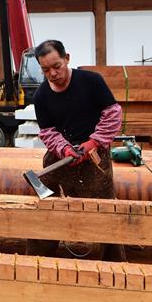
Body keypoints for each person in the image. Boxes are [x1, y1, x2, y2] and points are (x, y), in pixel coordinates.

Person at [30, 40, 126, 262]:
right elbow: (48, 132)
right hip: (60, 156)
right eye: (46, 70)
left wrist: (93, 142)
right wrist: (63, 148)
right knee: (47, 207)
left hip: (94, 155)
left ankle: (114, 265)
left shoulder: (91, 81)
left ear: (67, 58)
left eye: (56, 66)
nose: (53, 73)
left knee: (105, 210)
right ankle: (37, 260)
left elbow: (112, 114)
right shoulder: (41, 96)